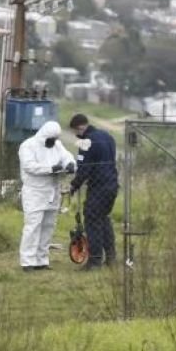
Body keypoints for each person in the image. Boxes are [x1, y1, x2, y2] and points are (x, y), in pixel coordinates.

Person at [18, 121, 76, 272]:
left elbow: (66, 156)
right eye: (51, 139)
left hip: (52, 191)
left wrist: (70, 164)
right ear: (44, 135)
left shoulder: (57, 145)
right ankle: (27, 261)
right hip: (35, 191)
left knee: (49, 226)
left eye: (55, 139)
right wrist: (49, 168)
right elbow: (29, 166)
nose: (53, 142)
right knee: (33, 226)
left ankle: (41, 260)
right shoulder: (28, 145)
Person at [68, 114, 119, 268]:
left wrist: (73, 186)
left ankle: (95, 260)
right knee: (103, 219)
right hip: (112, 184)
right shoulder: (107, 136)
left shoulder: (86, 142)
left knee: (92, 221)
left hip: (98, 187)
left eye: (76, 132)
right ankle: (111, 257)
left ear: (80, 127)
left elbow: (84, 169)